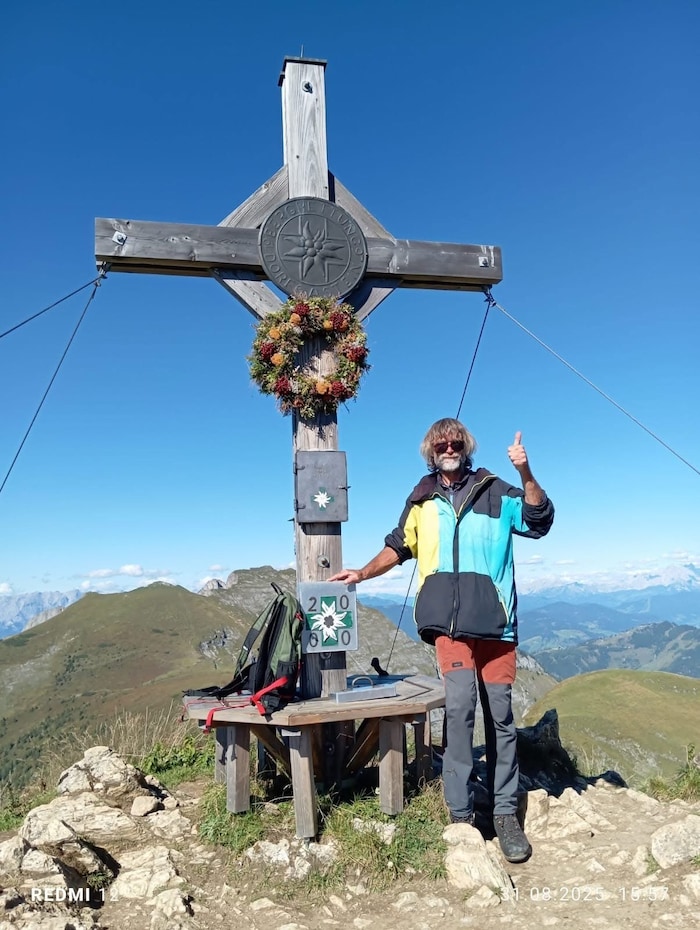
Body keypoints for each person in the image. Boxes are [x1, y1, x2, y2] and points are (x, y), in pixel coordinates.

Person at [329, 417, 554, 863]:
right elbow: (397, 547)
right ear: (431, 450)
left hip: (497, 627)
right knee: (458, 711)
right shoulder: (421, 500)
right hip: (449, 631)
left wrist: (526, 472)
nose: (448, 447)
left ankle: (506, 813)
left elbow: (538, 520)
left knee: (502, 719)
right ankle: (461, 815)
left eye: (455, 441)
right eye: (440, 443)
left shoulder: (496, 489)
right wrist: (361, 573)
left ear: (465, 446)